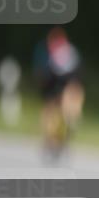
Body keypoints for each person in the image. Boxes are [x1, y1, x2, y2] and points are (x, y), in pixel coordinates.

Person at [33, 26, 84, 157]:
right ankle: (54, 137)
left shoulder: (61, 53)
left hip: (65, 84)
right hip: (56, 85)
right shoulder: (63, 52)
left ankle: (64, 129)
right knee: (52, 113)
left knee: (64, 108)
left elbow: (74, 78)